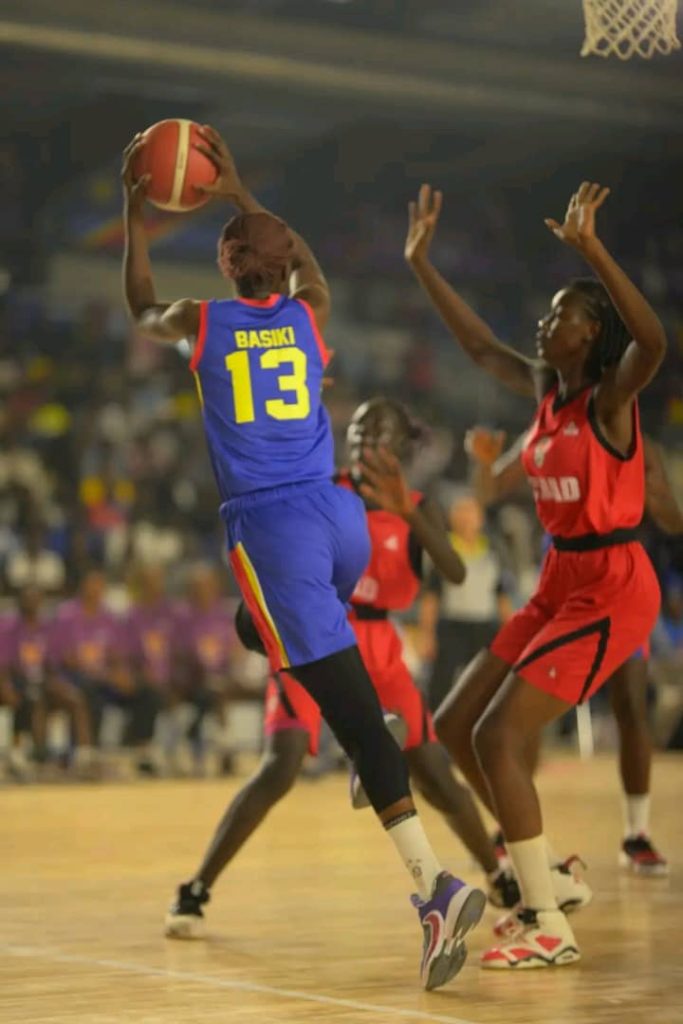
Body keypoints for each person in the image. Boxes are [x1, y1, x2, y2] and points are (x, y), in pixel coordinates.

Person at [121, 128, 485, 989]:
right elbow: (303, 264)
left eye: (232, 242)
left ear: (229, 265)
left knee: (347, 719)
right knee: (260, 629)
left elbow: (139, 304)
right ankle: (368, 723)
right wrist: (244, 194)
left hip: (274, 528)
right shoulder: (305, 315)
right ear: (285, 268)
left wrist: (135, 213)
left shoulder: (201, 321)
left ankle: (434, 889)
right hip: (338, 518)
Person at [405, 180, 666, 968]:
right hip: (559, 578)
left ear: (592, 334)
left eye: (563, 315)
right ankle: (546, 869)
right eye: (549, 313)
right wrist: (421, 264)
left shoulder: (611, 400)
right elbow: (482, 347)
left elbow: (652, 342)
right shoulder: (547, 392)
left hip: (612, 582)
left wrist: (592, 249)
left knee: (498, 734)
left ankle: (548, 924)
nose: (546, 323)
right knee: (454, 724)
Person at [164, 398, 519, 942]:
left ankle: (496, 874)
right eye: (355, 432)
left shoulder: (417, 505)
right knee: (280, 764)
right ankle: (197, 887)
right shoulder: (323, 489)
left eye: (376, 433)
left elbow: (453, 571)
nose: (362, 441)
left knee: (432, 770)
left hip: (380, 643)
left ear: (402, 445)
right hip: (318, 630)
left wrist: (409, 514)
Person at [467, 426, 683, 878]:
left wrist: (649, 490)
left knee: (630, 704)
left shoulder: (630, 438)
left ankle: (637, 833)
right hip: (560, 582)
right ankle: (516, 827)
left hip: (614, 581)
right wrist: (484, 462)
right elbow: (489, 491)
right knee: (521, 709)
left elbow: (673, 520)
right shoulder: (545, 432)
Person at [419, 491, 514, 712]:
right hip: (452, 626)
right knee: (442, 682)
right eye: (460, 512)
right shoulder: (444, 550)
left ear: (480, 518)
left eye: (470, 512)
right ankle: (434, 724)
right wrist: (427, 633)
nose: (466, 518)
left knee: (485, 683)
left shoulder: (492, 551)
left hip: (484, 626)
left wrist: (509, 631)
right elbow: (431, 596)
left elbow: (501, 595)